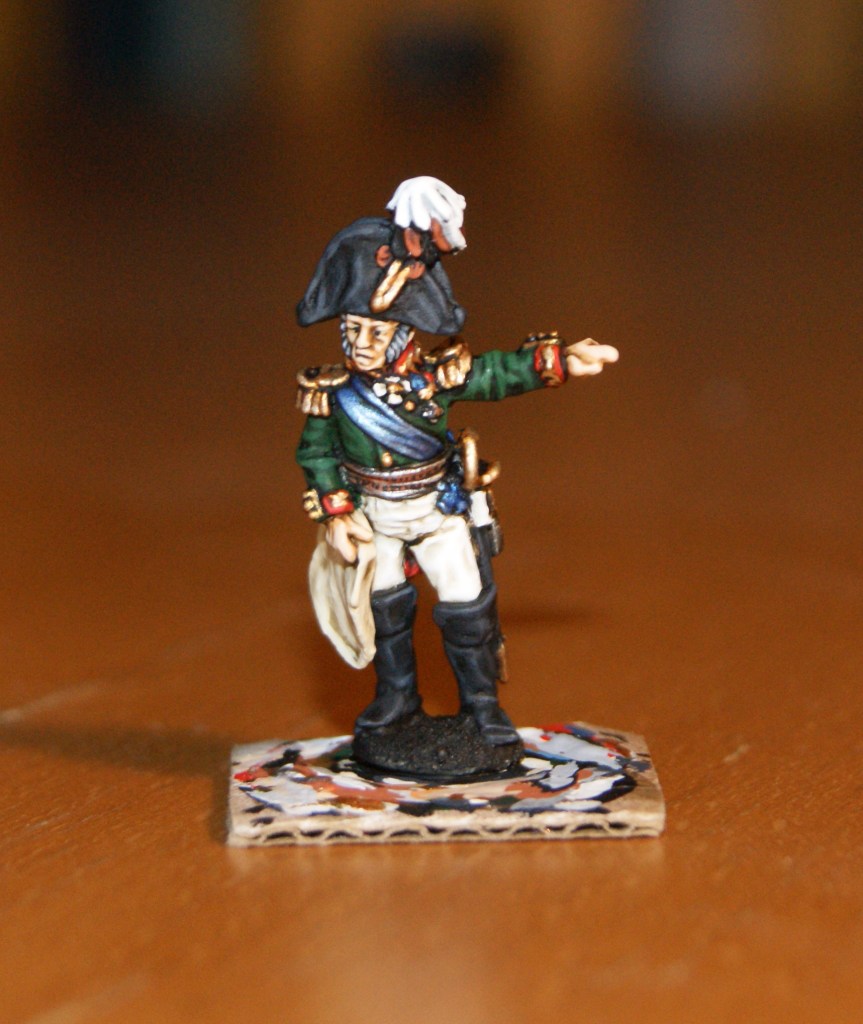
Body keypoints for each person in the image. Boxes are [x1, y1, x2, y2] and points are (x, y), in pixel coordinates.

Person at [295, 177, 618, 772]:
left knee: (467, 606)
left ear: (402, 337)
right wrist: (338, 512)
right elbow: (316, 454)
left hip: (437, 508)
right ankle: (395, 706)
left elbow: (496, 374)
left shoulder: (435, 378)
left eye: (375, 332)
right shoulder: (332, 394)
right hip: (374, 517)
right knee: (384, 611)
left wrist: (562, 361)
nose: (361, 343)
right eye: (353, 331)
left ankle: (482, 710)